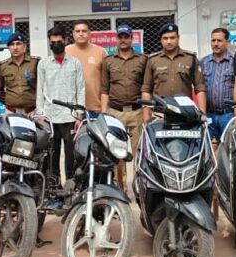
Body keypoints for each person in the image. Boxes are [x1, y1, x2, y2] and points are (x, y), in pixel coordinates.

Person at [36, 26, 85, 205]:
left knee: (71, 157)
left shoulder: (75, 63)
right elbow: (40, 90)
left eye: (59, 41)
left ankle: (71, 193)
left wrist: (79, 115)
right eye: (53, 42)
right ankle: (55, 194)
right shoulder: (43, 64)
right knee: (52, 157)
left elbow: (81, 89)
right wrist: (40, 115)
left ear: (65, 41)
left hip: (70, 117)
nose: (56, 44)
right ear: (49, 43)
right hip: (50, 118)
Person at [100, 24, 147, 188]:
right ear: (116, 39)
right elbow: (104, 89)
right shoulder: (108, 61)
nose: (123, 40)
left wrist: (147, 113)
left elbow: (147, 88)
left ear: (132, 39)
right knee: (117, 153)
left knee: (140, 153)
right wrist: (104, 113)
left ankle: (139, 188)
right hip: (115, 112)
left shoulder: (142, 60)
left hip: (137, 112)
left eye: (126, 37)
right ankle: (121, 189)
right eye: (120, 37)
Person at [141, 23, 207, 122]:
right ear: (161, 40)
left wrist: (202, 114)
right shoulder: (152, 60)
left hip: (185, 113)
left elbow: (200, 88)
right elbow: (146, 90)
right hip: (160, 114)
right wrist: (147, 118)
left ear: (178, 38)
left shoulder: (190, 59)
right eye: (165, 38)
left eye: (172, 38)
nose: (169, 41)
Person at [64, 20, 106, 113]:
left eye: (84, 31)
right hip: (71, 109)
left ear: (89, 33)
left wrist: (104, 109)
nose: (81, 34)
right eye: (78, 31)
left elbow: (106, 82)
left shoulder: (100, 52)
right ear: (73, 34)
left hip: (95, 109)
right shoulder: (65, 52)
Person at [201, 28, 235, 143]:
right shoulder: (204, 62)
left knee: (229, 146)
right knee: (210, 147)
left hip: (228, 115)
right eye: (213, 40)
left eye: (219, 40)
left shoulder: (235, 61)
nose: (215, 44)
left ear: (227, 42)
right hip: (209, 114)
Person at [0, 34, 39, 114]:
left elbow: (43, 87)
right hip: (11, 111)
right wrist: (9, 101)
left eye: (18, 44)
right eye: (12, 44)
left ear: (24, 46)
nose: (15, 47)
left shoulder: (35, 63)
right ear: (8, 48)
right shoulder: (3, 66)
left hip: (33, 111)